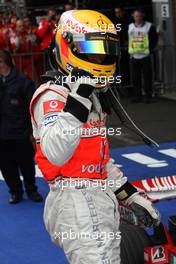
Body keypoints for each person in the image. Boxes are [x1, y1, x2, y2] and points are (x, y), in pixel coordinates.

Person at [30, 10, 160, 264]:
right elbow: (56, 151)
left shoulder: (89, 96)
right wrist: (77, 101)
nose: (99, 56)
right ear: (66, 45)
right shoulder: (51, 94)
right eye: (90, 48)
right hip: (74, 202)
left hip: (98, 198)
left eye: (105, 49)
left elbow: (98, 161)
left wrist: (129, 196)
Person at [0, 50, 43, 204]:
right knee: (6, 167)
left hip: (20, 132)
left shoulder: (22, 81)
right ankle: (15, 192)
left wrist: (32, 131)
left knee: (26, 165)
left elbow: (33, 107)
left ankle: (31, 190)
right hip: (2, 135)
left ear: (3, 63)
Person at [128, 8, 158, 103]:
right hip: (134, 56)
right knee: (136, 77)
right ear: (133, 16)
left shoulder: (149, 26)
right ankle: (137, 96)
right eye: (136, 16)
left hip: (145, 56)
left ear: (142, 16)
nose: (138, 18)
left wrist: (150, 49)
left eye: (139, 16)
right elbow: (127, 39)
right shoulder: (130, 26)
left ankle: (148, 96)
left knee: (147, 77)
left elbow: (154, 39)